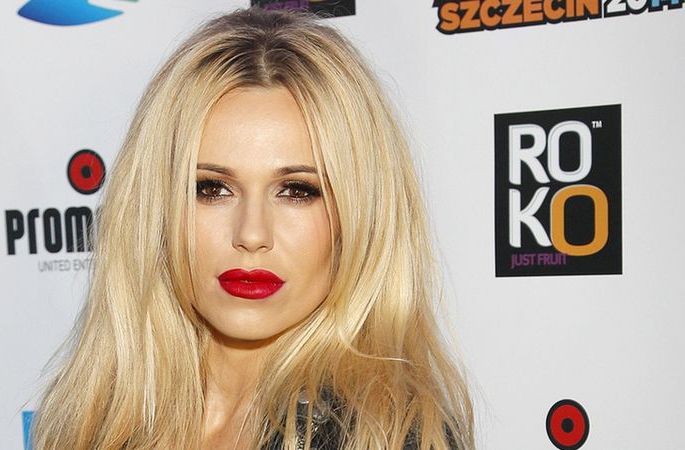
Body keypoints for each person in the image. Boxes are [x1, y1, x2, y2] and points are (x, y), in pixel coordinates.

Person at [32, 7, 474, 450]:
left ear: (360, 215)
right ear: (156, 207)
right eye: (211, 188)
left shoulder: (389, 437)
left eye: (297, 191)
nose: (251, 233)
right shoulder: (97, 422)